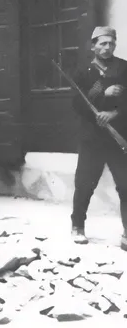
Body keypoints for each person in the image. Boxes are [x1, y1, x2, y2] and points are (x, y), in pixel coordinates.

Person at [71, 26, 127, 250]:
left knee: (125, 185)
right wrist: (103, 93)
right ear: (93, 46)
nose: (107, 47)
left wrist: (115, 113)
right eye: (102, 43)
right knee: (85, 184)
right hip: (92, 137)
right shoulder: (83, 71)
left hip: (118, 137)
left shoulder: (124, 67)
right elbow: (77, 104)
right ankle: (77, 226)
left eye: (111, 43)